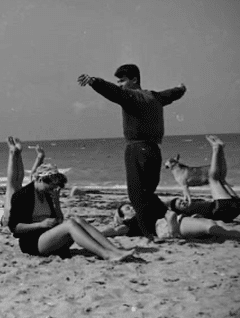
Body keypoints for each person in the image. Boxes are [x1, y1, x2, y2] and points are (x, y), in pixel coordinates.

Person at [78, 64, 187, 240]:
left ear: (134, 79)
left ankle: (149, 234)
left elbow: (112, 91)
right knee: (147, 194)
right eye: (119, 81)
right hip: (154, 150)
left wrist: (94, 81)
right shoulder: (155, 97)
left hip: (137, 149)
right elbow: (172, 94)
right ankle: (165, 218)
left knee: (136, 195)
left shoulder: (131, 96)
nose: (120, 84)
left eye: (122, 80)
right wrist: (181, 89)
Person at [6, 136, 135, 261]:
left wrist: (56, 202)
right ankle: (106, 254)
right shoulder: (22, 195)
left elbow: (59, 220)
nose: (52, 189)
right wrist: (40, 224)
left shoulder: (48, 194)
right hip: (32, 242)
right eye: (50, 186)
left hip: (50, 236)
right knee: (70, 224)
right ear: (39, 179)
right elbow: (14, 227)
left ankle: (114, 250)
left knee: (77, 220)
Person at [167, 135, 240, 223]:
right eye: (180, 204)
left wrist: (187, 197)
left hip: (234, 206)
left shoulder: (194, 202)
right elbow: (185, 218)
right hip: (220, 210)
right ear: (181, 211)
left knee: (221, 179)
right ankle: (216, 148)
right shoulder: (187, 215)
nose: (183, 202)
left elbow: (185, 190)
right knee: (213, 179)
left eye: (181, 200)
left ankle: (220, 149)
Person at [103, 201, 240, 242]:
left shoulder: (144, 212)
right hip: (164, 226)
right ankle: (234, 236)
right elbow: (115, 231)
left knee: (214, 225)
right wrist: (97, 233)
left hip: (171, 220)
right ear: (124, 216)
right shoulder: (131, 222)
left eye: (131, 205)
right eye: (128, 208)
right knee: (210, 226)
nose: (132, 208)